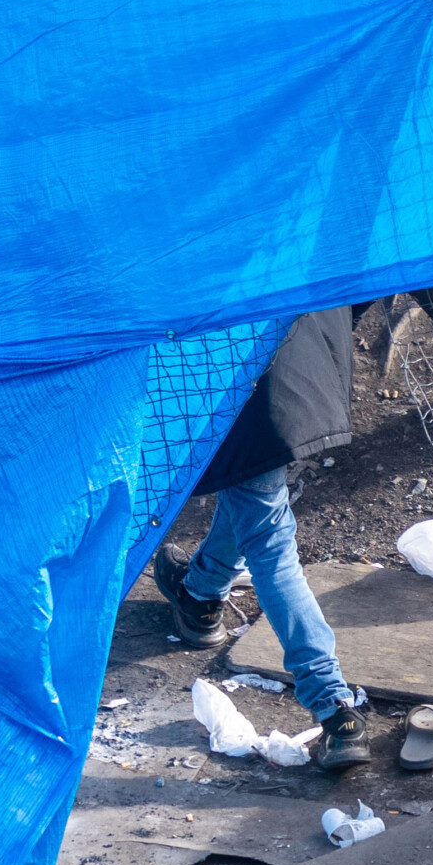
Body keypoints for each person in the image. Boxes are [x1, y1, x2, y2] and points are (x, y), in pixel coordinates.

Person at [150, 308, 370, 772]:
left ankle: (334, 707)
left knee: (269, 539)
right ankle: (199, 592)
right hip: (308, 375)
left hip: (248, 386)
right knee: (254, 496)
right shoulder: (299, 236)